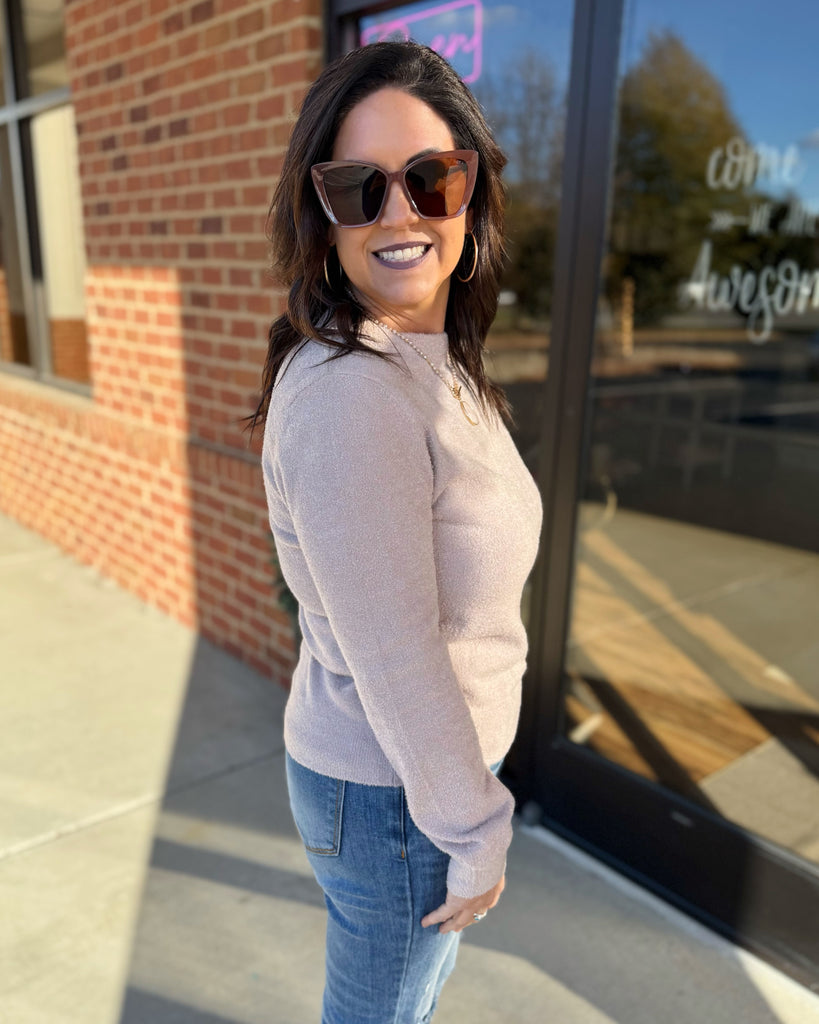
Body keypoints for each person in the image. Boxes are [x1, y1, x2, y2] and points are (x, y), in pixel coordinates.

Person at [244, 41, 542, 1024]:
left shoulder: (431, 358)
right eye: (357, 188)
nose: (400, 213)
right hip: (396, 799)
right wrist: (476, 825)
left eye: (430, 177)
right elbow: (394, 650)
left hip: (410, 784)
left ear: (472, 191)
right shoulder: (354, 396)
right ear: (320, 217)